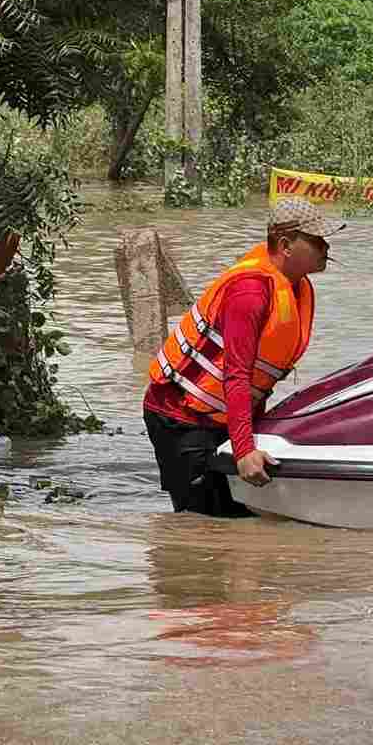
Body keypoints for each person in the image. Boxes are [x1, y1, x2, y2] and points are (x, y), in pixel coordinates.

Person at [142, 197, 339, 516]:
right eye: (316, 240)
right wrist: (244, 449)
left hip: (221, 414)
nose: (326, 246)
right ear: (286, 245)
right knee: (203, 522)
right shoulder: (249, 293)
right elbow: (237, 373)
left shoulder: (293, 286)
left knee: (239, 520)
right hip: (181, 418)